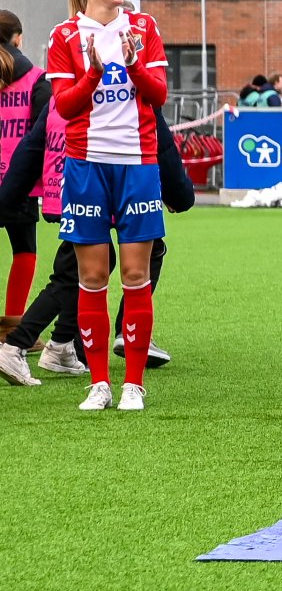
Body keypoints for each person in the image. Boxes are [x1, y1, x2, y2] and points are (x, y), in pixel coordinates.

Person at [42, 0, 167, 411]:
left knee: (136, 273)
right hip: (85, 166)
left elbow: (157, 95)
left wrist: (132, 63)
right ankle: (99, 383)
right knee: (92, 276)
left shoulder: (144, 27)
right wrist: (94, 71)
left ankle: (133, 383)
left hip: (138, 165)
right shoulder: (64, 35)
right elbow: (66, 106)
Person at [0, 97, 191, 385]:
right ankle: (15, 345)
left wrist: (7, 200)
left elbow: (31, 146)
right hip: (105, 189)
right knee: (76, 273)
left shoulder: (62, 93)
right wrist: (179, 195)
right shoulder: (132, 91)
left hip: (69, 189)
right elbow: (160, 143)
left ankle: (63, 344)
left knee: (86, 266)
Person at [0, 11, 51, 345]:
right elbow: (44, 133)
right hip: (17, 179)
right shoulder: (36, 78)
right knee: (24, 251)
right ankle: (12, 329)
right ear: (17, 38)